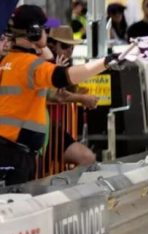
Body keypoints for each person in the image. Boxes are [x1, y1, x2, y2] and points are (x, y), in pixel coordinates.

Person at [0, 5, 123, 186]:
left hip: (9, 150)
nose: (46, 34)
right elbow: (66, 75)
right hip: (16, 155)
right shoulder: (31, 65)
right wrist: (104, 63)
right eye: (43, 29)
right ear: (33, 32)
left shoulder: (8, 61)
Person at [44, 26, 98, 169]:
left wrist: (80, 93)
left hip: (52, 128)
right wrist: (81, 98)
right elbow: (53, 95)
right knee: (86, 158)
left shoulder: (66, 68)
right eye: (65, 46)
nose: (69, 51)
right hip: (44, 127)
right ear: (52, 46)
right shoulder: (46, 65)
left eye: (71, 47)